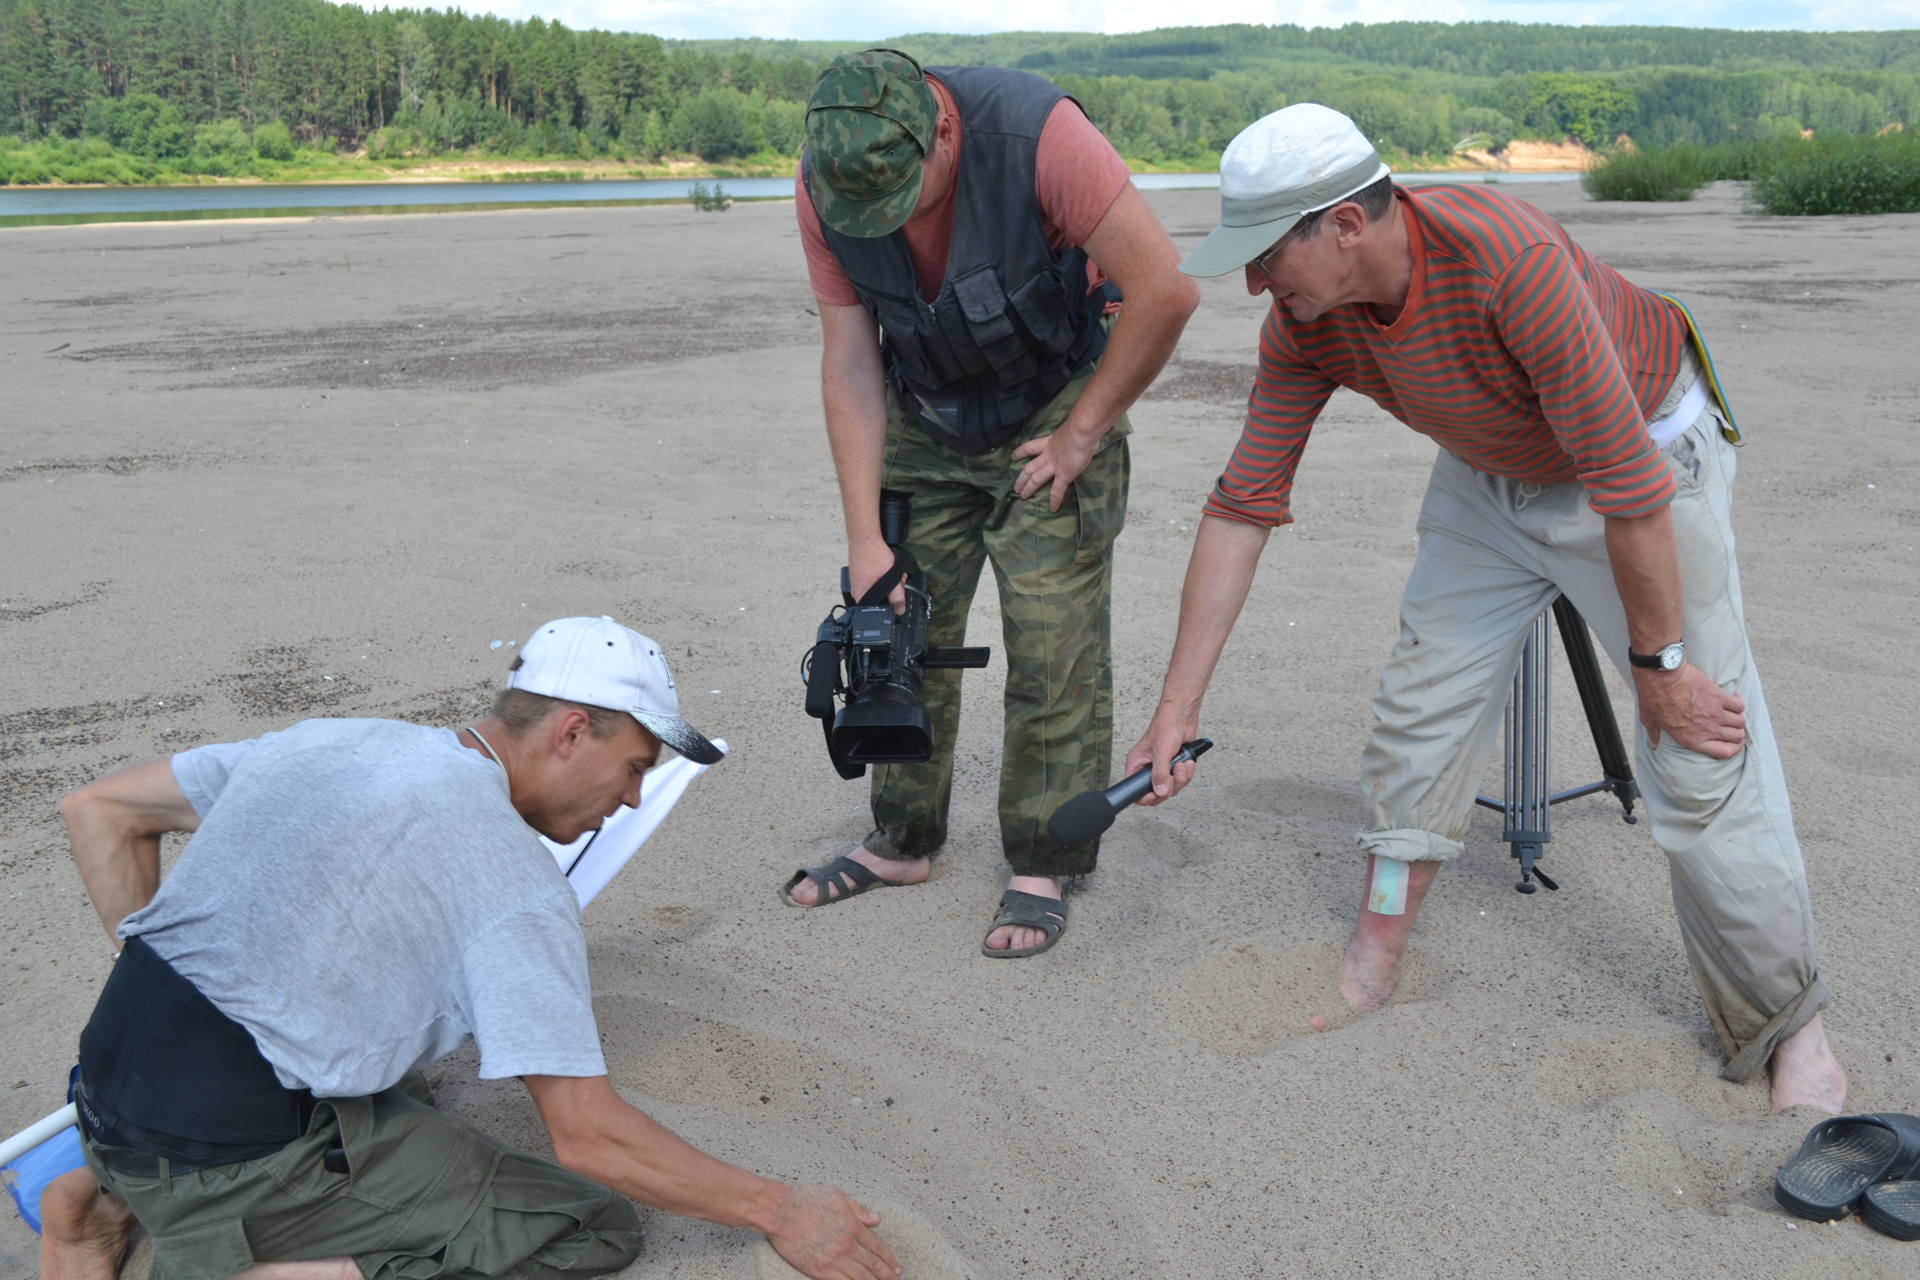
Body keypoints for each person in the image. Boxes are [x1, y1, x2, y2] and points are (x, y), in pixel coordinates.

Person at [1125, 104, 1848, 1114]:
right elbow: (1243, 504)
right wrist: (1176, 706)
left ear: (1344, 223)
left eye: (1264, 252)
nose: (1252, 282)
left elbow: (1630, 492)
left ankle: (1790, 1027)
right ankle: (1376, 946)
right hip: (1491, 470)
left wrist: (1661, 668)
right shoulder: (1304, 321)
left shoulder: (1507, 260)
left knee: (1699, 746)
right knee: (1418, 711)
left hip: (1645, 455)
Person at [39, 616, 900, 1280]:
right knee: (587, 1227)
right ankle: (279, 1258)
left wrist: (192, 1000)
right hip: (224, 1159)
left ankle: (99, 1186)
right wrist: (780, 1210)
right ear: (570, 733)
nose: (632, 801)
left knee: (396, 1075)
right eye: (634, 766)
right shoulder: (513, 877)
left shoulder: (342, 739)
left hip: (104, 1087)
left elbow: (101, 812)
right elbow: (590, 1139)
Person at [783, 48, 1199, 957]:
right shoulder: (829, 183)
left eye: (905, 198)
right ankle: (904, 840)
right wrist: (865, 540)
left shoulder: (1040, 137)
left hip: (1051, 403)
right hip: (926, 415)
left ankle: (1045, 858)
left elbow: (1166, 288)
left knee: (1054, 640)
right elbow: (852, 358)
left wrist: (1085, 431)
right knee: (898, 628)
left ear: (943, 129)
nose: (884, 222)